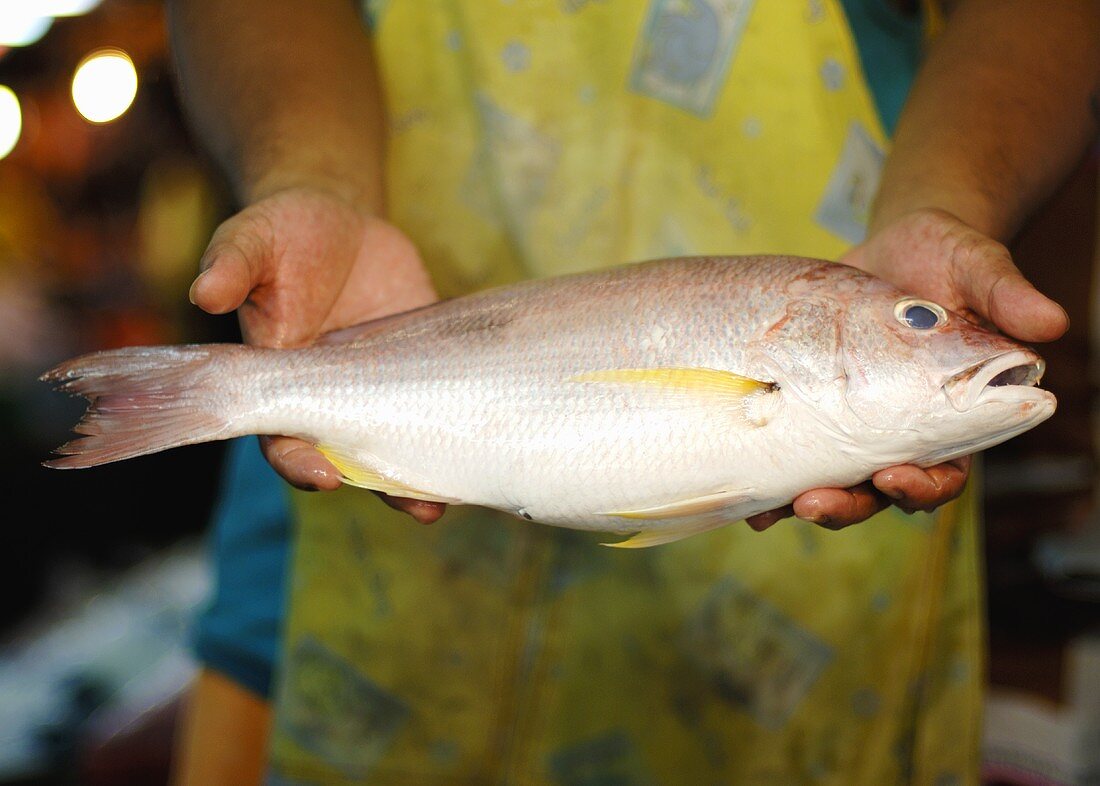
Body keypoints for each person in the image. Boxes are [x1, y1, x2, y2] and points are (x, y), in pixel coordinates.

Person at [166, 0, 1098, 783]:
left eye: (916, 320)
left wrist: (950, 200)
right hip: (347, 490)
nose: (942, 337)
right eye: (921, 322)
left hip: (812, 626)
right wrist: (310, 176)